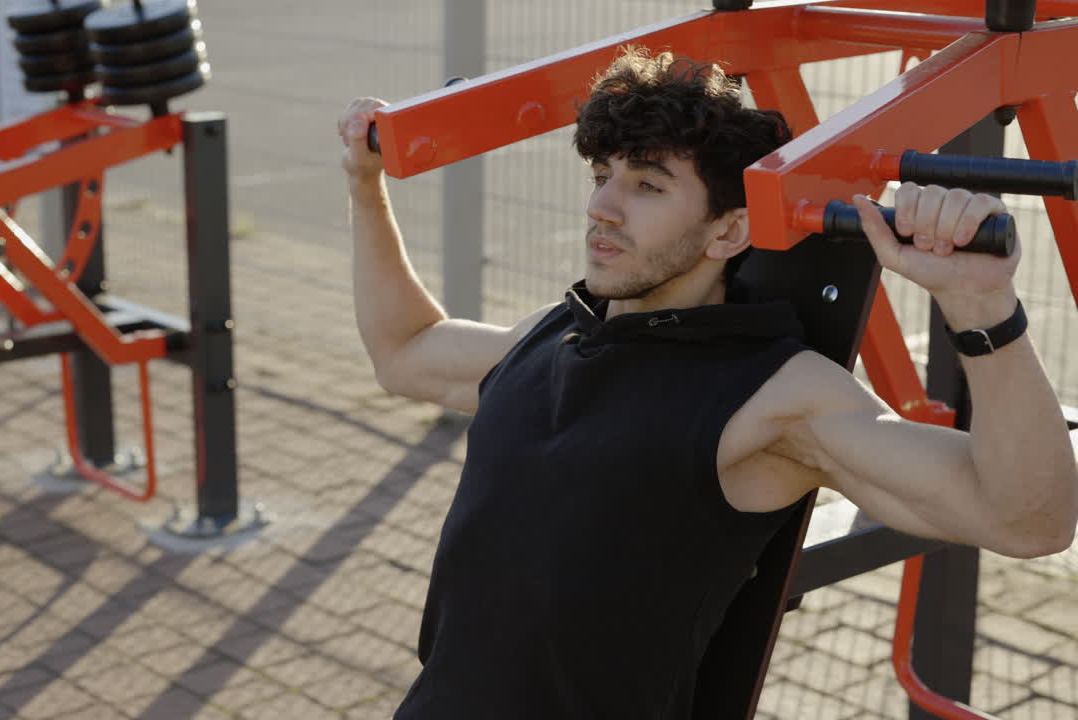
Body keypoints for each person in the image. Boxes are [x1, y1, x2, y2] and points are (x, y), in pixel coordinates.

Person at [336, 48, 1078, 719]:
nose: (602, 206)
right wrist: (365, 188)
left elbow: (1026, 521)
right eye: (604, 176)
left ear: (729, 231)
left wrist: (982, 310)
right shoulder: (557, 333)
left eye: (648, 185)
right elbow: (407, 350)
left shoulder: (774, 399)